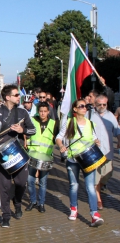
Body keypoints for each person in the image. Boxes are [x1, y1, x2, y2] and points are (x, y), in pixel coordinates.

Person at [0, 84, 36, 228]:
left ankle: (17, 203)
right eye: (16, 95)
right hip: (2, 154)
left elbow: (33, 130)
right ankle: (5, 216)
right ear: (8, 97)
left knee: (20, 183)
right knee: (4, 186)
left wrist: (22, 129)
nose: (19, 97)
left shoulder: (23, 113)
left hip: (18, 153)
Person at [56, 99, 104, 227]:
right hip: (72, 159)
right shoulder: (69, 123)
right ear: (75, 110)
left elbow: (93, 138)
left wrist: (97, 141)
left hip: (88, 160)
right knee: (74, 185)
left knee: (90, 187)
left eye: (85, 106)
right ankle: (73, 209)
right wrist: (61, 146)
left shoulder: (90, 123)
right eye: (81, 106)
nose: (84, 108)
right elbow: (58, 137)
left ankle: (94, 214)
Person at [85, 94, 120, 209]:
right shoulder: (89, 115)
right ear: (95, 104)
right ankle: (98, 199)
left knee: (108, 173)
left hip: (108, 151)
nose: (102, 106)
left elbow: (117, 131)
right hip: (94, 152)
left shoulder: (110, 116)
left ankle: (100, 186)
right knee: (96, 176)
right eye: (99, 104)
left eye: (104, 104)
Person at [25, 102, 59, 213]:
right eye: (41, 111)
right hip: (33, 155)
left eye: (45, 111)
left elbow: (58, 139)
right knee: (30, 180)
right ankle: (33, 201)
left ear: (48, 112)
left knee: (43, 182)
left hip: (46, 157)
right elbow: (27, 134)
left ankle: (41, 203)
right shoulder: (33, 121)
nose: (43, 113)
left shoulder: (54, 124)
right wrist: (26, 142)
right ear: (38, 111)